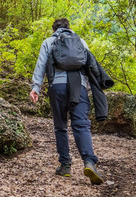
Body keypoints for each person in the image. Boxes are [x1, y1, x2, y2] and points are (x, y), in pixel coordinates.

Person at [30, 18, 104, 185]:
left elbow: (41, 65)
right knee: (81, 124)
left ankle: (65, 165)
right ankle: (89, 161)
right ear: (69, 28)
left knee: (61, 126)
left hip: (57, 87)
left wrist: (36, 88)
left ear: (53, 30)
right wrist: (89, 88)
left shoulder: (48, 42)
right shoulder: (80, 41)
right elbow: (90, 65)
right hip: (79, 87)